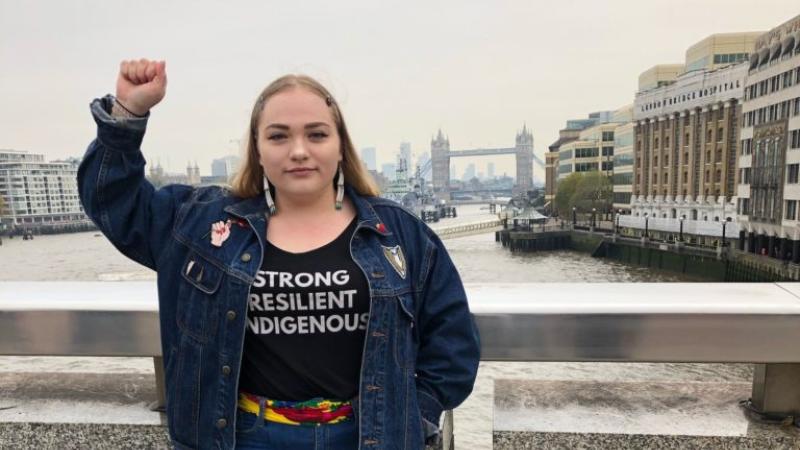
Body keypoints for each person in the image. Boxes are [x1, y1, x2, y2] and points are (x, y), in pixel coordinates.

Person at [77, 58, 480, 450]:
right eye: (279, 136)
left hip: (370, 435)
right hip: (242, 435)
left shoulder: (400, 234)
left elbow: (452, 339)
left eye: (317, 134)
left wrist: (414, 416)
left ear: (341, 146)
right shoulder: (201, 226)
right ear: (257, 147)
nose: (299, 150)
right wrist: (128, 113)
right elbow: (115, 203)